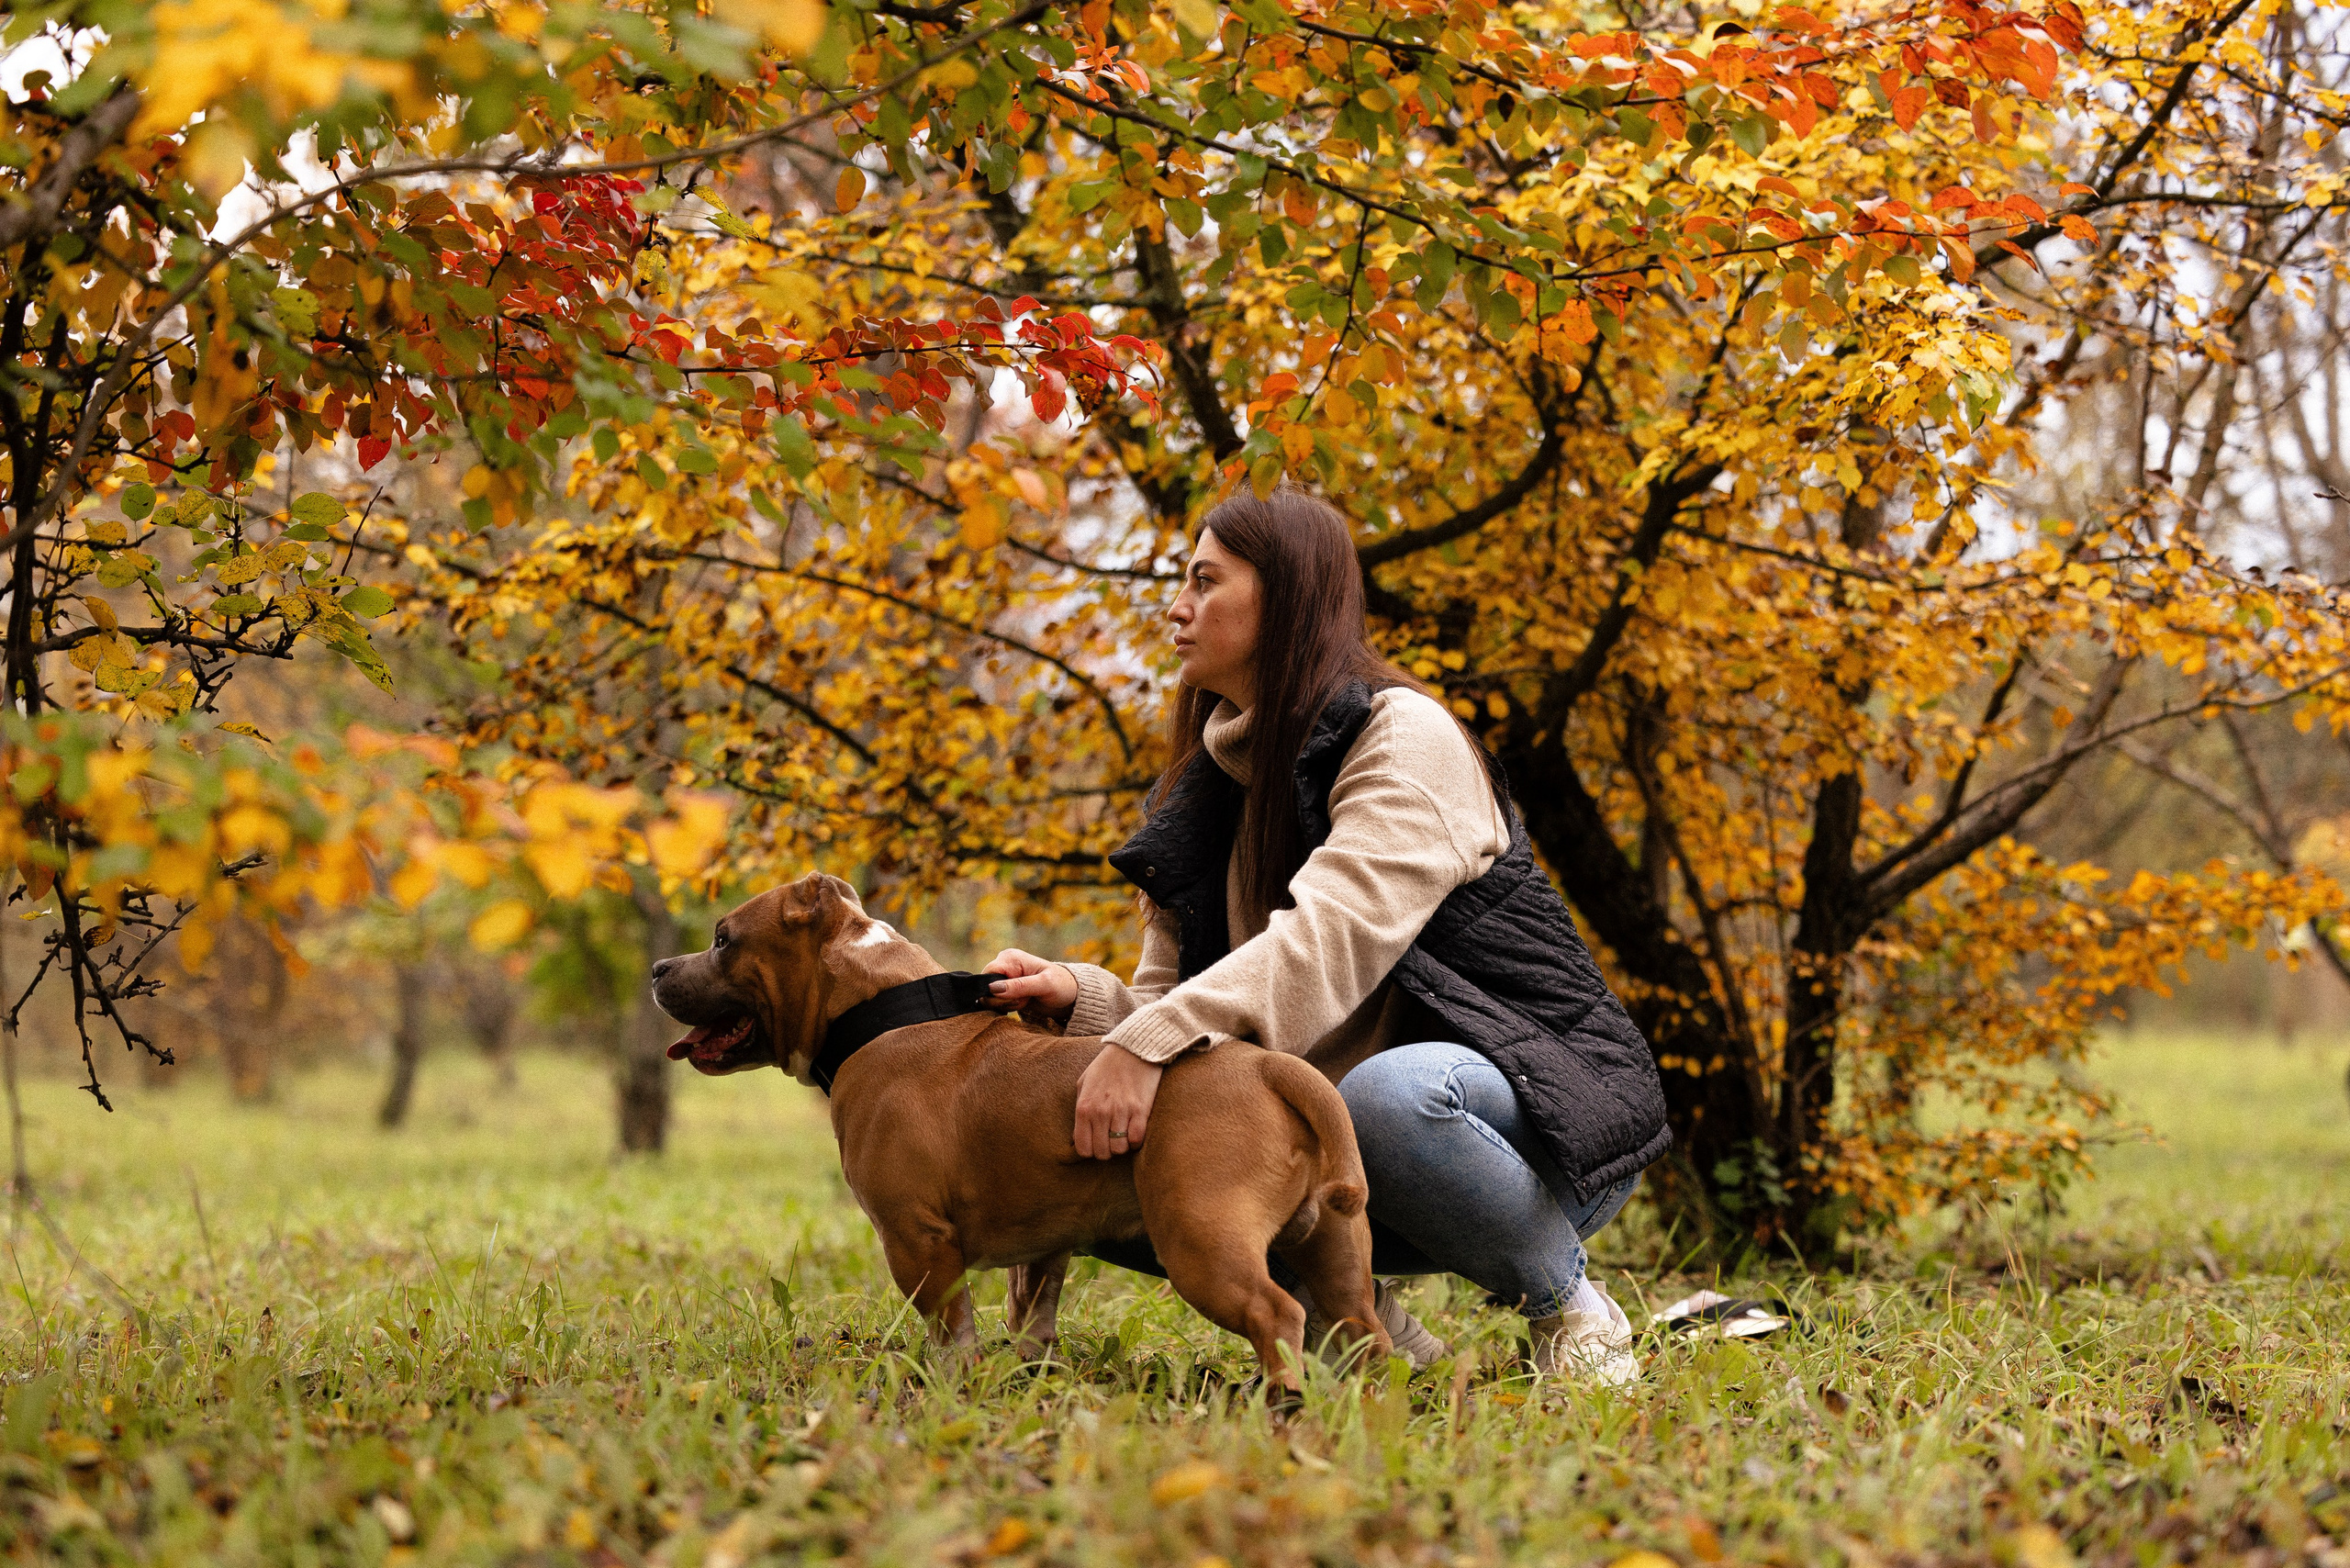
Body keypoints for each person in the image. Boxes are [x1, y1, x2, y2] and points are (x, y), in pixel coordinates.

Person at [983, 487, 1670, 1383]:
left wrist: (1147, 1039)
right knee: (1127, 1147)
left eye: (1204, 581)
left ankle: (1571, 1304)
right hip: (1349, 1155)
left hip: (1519, 1121)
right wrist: (1087, 1002)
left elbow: (1333, 937)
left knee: (1388, 1097)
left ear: (1288, 596)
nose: (1177, 608)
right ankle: (1370, 1324)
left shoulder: (1403, 735)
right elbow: (1169, 1010)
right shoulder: (1197, 797)